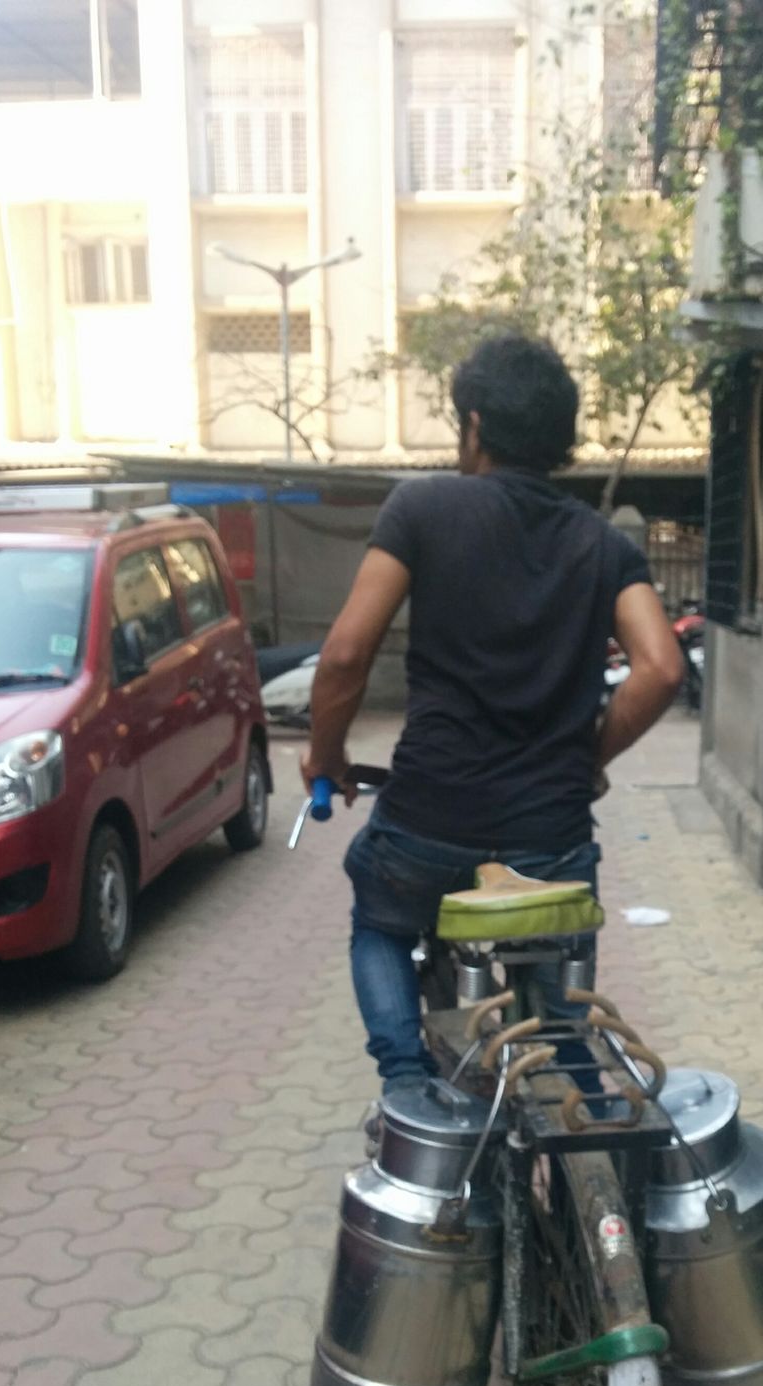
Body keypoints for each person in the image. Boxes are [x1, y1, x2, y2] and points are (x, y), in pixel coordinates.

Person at [301, 334, 683, 1091]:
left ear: (473, 425)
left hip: (428, 823)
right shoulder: (602, 544)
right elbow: (662, 667)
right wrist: (590, 757)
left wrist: (325, 756)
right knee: (566, 1026)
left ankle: (407, 1083)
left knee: (379, 918)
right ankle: (588, 1119)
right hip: (551, 839)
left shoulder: (422, 507)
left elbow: (344, 656)